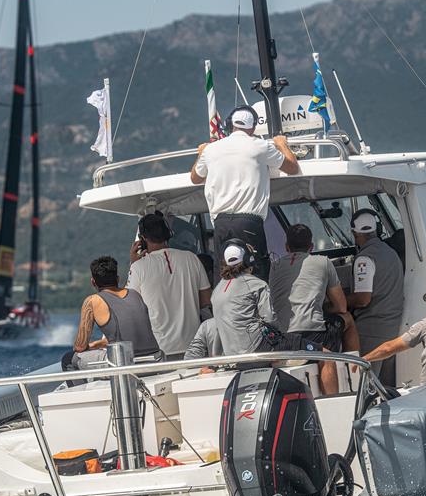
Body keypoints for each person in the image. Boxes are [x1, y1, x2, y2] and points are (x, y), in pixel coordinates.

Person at [212, 239, 339, 392]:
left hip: (235, 359)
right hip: (260, 350)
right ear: (248, 259)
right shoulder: (256, 284)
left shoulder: (216, 292)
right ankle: (332, 409)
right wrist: (280, 344)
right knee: (327, 356)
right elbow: (271, 320)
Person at [190, 105, 300, 281]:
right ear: (253, 128)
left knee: (224, 279)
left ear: (230, 125)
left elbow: (195, 178)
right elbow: (293, 168)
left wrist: (201, 154)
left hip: (220, 224)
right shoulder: (260, 146)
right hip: (249, 224)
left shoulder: (211, 150)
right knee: (256, 277)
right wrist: (282, 144)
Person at [270, 224, 359, 392]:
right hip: (312, 333)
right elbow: (341, 306)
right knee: (347, 319)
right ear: (311, 247)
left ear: (286, 247)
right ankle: (354, 373)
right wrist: (323, 308)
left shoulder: (274, 267)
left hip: (284, 336)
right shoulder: (323, 262)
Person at [127, 213, 212, 360]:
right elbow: (206, 301)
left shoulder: (138, 267)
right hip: (194, 346)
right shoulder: (192, 259)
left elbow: (129, 306)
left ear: (143, 239)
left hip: (161, 349)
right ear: (168, 234)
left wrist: (133, 263)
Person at [63, 256, 160, 374]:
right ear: (118, 279)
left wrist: (91, 345)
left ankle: (90, 391)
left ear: (93, 281)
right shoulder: (135, 294)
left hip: (125, 366)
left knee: (68, 359)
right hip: (155, 361)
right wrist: (98, 344)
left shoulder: (92, 301)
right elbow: (131, 336)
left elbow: (79, 347)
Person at [347, 209, 404, 387]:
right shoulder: (390, 252)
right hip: (392, 328)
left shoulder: (364, 258)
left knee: (366, 386)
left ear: (356, 234)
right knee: (386, 387)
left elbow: (363, 299)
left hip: (370, 331)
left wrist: (339, 302)